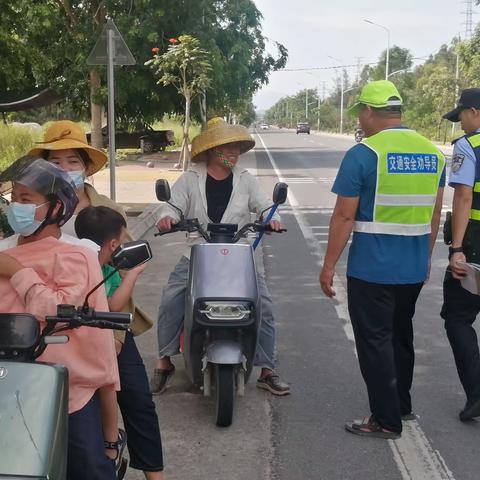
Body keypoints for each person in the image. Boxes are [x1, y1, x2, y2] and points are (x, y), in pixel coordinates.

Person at [29, 121, 165, 478]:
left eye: (72, 161)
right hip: (52, 327)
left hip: (108, 322)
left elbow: (125, 261)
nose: (64, 169)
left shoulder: (107, 209)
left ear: (86, 167)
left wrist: (114, 327)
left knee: (136, 399)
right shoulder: (32, 209)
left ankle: (154, 473)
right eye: (55, 162)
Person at [319, 80, 445, 439]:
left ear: (371, 112)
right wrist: (426, 257)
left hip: (373, 268)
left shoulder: (364, 154)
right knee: (401, 336)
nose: (360, 118)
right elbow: (435, 215)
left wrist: (329, 266)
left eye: (361, 110)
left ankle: (386, 420)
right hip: (412, 266)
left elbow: (344, 216)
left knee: (374, 341)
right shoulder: (432, 153)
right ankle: (401, 406)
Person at [150, 117, 290, 396]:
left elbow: (265, 206)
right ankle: (164, 362)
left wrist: (270, 218)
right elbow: (172, 206)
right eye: (227, 148)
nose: (234, 153)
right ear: (212, 151)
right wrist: (167, 218)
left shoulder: (246, 180)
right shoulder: (191, 179)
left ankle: (267, 369)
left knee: (264, 306)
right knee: (171, 301)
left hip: (239, 256)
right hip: (197, 254)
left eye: (237, 148)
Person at [0, 156, 119, 479]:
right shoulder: (4, 249)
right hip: (7, 384)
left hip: (66, 390)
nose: (16, 207)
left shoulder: (78, 254)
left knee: (91, 469)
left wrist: (19, 272)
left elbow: (61, 307)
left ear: (55, 208)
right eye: (14, 199)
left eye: (26, 199)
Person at [75, 206, 165, 478]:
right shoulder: (106, 271)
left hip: (74, 344)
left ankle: (112, 445)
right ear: (114, 243)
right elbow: (114, 305)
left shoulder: (73, 260)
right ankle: (111, 443)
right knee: (108, 387)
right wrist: (133, 274)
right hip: (98, 344)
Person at [441, 88, 480, 421]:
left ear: (474, 112)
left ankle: (477, 392)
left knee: (458, 317)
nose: (462, 124)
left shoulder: (468, 147)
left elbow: (464, 198)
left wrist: (457, 249)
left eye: (463, 116)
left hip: (475, 247)